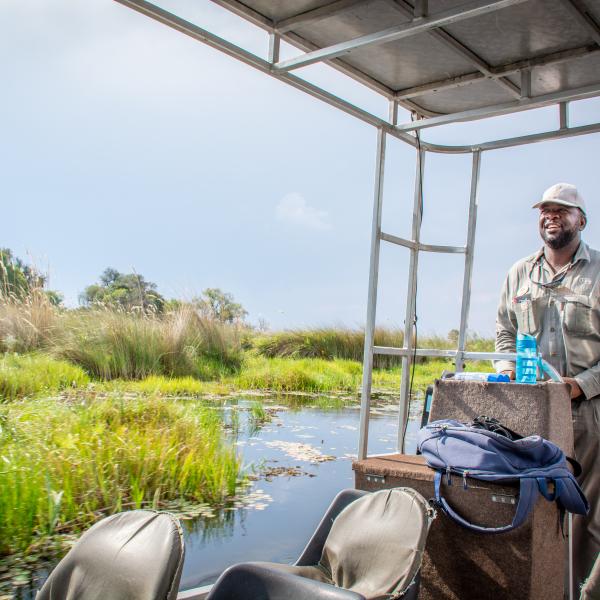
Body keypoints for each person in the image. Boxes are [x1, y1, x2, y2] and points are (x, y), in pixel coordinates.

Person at [495, 183, 599, 595]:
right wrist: (505, 370)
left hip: (588, 412)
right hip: (531, 411)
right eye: (545, 210)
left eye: (563, 209)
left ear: (581, 221)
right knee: (535, 506)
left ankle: (583, 594)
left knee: (587, 517)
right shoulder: (519, 272)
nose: (551, 215)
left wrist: (582, 384)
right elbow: (505, 331)